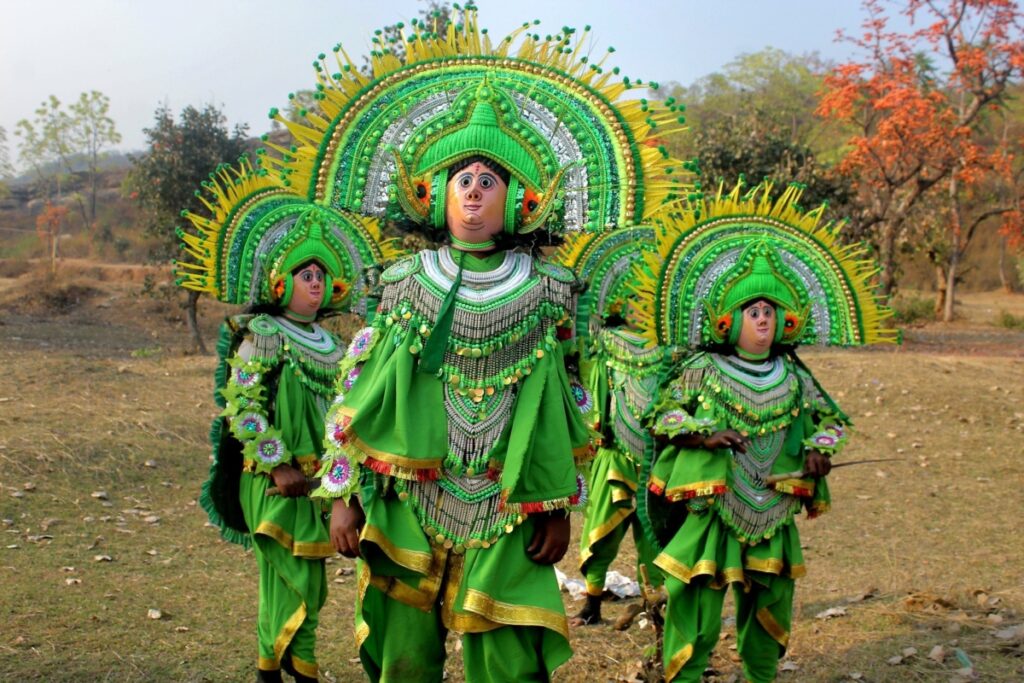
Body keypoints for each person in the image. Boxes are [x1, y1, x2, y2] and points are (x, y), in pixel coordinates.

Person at [630, 183, 898, 682]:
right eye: (753, 313)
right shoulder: (704, 367)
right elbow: (661, 416)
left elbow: (831, 420)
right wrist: (701, 434)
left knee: (770, 615)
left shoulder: (794, 375)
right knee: (698, 614)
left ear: (785, 321)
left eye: (770, 313)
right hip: (716, 511)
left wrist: (819, 451)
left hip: (774, 511)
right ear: (729, 321)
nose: (762, 322)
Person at [175, 162, 399, 682]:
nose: (315, 286)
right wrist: (276, 467)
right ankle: (286, 671)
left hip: (320, 485)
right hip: (274, 483)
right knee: (290, 577)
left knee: (311, 584)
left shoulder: (336, 345)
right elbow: (244, 406)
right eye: (306, 276)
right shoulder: (263, 332)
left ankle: (281, 667)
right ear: (281, 283)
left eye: (321, 276)